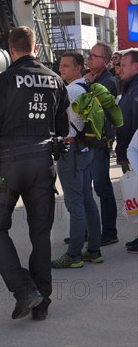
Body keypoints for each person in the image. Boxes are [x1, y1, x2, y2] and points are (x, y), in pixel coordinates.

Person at [0, 26, 69, 321]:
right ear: (34, 47)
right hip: (43, 160)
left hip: (10, 161)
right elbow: (64, 128)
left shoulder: (5, 80)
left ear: (11, 48)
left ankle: (24, 289)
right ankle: (41, 302)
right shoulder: (55, 80)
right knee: (41, 234)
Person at [51, 52, 103, 269]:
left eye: (66, 66)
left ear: (78, 68)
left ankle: (74, 255)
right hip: (85, 149)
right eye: (61, 65)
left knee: (76, 202)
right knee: (87, 199)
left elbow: (71, 126)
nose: (61, 69)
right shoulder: (85, 86)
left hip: (72, 150)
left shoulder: (71, 90)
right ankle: (94, 250)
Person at [84, 42, 118, 246]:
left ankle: (109, 232)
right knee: (84, 189)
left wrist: (85, 86)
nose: (89, 58)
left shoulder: (108, 82)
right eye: (88, 55)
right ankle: (88, 231)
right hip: (87, 142)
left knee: (102, 187)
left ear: (104, 61)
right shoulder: (90, 78)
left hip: (99, 142)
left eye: (93, 56)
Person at [115, 49, 138, 254]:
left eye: (123, 64)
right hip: (130, 153)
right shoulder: (129, 88)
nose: (119, 68)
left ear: (136, 66)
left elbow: (133, 125)